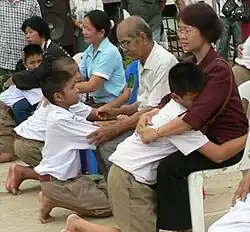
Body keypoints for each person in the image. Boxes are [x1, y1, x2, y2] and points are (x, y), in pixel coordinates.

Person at [61, 62, 247, 232]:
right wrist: (248, 136)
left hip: (132, 175)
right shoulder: (178, 123)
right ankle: (79, 225)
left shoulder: (173, 110)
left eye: (201, 98)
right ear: (177, 96)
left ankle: (78, 225)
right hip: (129, 178)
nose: (199, 104)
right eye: (193, 100)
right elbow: (218, 155)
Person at [136, 3, 248, 231]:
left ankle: (180, 227)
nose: (182, 36)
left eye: (188, 30)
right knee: (157, 157)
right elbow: (171, 98)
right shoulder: (190, 64)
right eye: (180, 29)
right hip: (203, 138)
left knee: (169, 168)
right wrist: (148, 115)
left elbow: (195, 116)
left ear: (205, 32)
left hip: (227, 143)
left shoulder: (219, 70)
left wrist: (156, 132)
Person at [87, 16, 178, 179]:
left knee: (109, 146)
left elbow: (154, 109)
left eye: (126, 43)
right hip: (144, 120)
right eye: (121, 44)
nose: (124, 49)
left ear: (142, 37)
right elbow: (143, 102)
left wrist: (116, 127)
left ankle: (129, 188)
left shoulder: (164, 63)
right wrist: (117, 112)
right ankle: (113, 190)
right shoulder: (142, 60)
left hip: (158, 128)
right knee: (98, 139)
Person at [5, 56, 100, 195]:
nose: (79, 77)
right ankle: (23, 173)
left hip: (24, 139)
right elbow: (96, 115)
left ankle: (23, 172)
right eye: (74, 73)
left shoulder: (55, 96)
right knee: (65, 174)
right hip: (32, 144)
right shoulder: (64, 101)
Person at [35, 70, 111, 224]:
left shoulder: (65, 111)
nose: (77, 90)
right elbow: (96, 133)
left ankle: (56, 196)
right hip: (59, 182)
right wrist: (126, 123)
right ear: (58, 97)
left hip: (72, 178)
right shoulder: (59, 119)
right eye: (72, 87)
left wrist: (118, 122)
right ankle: (51, 198)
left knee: (113, 193)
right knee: (107, 208)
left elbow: (92, 124)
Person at [0, 44, 44, 163]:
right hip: (3, 114)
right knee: (6, 155)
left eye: (40, 61)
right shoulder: (27, 81)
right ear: (25, 64)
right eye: (32, 63)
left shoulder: (28, 78)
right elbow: (20, 108)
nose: (37, 66)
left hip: (5, 113)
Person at [77, 10, 127, 107]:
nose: (83, 32)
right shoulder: (90, 50)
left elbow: (92, 85)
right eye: (83, 28)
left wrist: (62, 89)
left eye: (88, 29)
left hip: (112, 103)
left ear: (101, 32)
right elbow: (79, 76)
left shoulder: (109, 52)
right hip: (96, 101)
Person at [10, 16, 70, 90]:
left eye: (31, 32)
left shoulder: (52, 51)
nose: (27, 36)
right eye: (26, 33)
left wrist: (15, 78)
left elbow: (38, 74)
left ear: (41, 32)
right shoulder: (43, 49)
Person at [0, 0, 41, 92]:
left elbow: (39, 30)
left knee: (24, 99)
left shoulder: (31, 2)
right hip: (2, 62)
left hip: (26, 64)